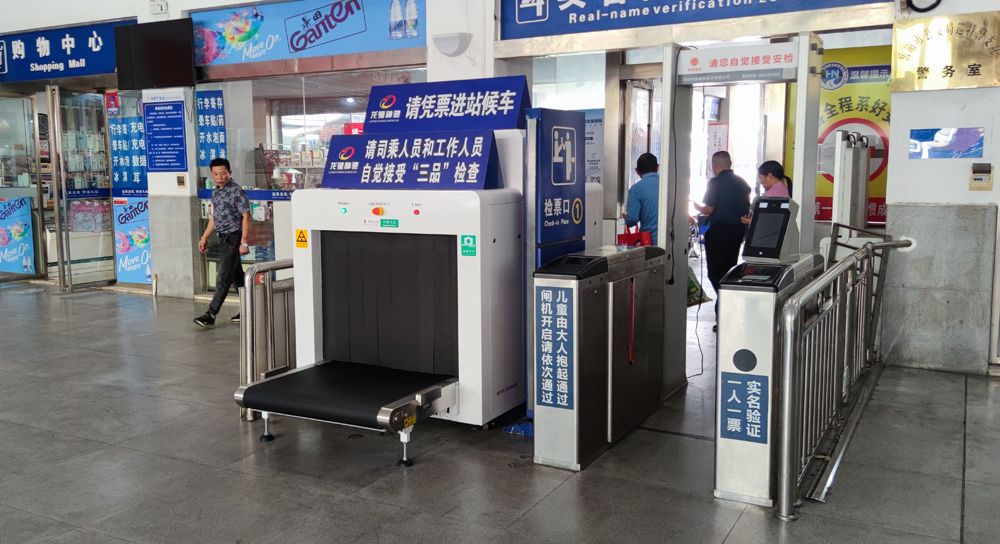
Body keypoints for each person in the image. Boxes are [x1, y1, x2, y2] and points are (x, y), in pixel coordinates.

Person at [693, 151, 751, 329]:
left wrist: (697, 207)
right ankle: (726, 312)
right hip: (737, 232)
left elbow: (709, 209)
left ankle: (727, 305)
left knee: (714, 273)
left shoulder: (715, 183)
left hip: (718, 232)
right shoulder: (743, 183)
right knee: (729, 270)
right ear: (730, 163)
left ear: (714, 165)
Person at [193, 158, 252, 328]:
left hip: (234, 237)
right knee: (237, 277)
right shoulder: (216, 192)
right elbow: (214, 218)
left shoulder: (236, 191)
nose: (220, 177)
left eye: (223, 173)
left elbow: (247, 216)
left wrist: (244, 242)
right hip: (223, 237)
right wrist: (204, 237)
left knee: (223, 277)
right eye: (216, 174)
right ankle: (250, 309)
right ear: (212, 175)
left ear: (229, 172)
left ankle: (211, 314)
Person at [623, 153, 660, 245]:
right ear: (658, 167)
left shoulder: (636, 189)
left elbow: (632, 220)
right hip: (670, 241)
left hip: (649, 242)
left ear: (637, 171)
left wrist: (626, 217)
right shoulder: (668, 185)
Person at [742, 161, 793, 225]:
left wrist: (750, 221)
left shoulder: (770, 194)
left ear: (769, 176)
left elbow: (766, 221)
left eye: (761, 178)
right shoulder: (784, 188)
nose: (761, 182)